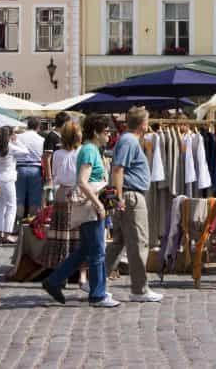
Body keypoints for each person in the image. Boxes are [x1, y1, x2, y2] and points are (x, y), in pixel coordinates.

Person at [43, 115, 117, 307]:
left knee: (85, 249)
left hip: (90, 205)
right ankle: (97, 294)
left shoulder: (91, 150)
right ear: (96, 132)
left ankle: (54, 281)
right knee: (97, 251)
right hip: (89, 206)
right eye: (106, 131)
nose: (109, 135)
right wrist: (98, 204)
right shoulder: (89, 151)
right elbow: (82, 182)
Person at [104, 107, 162, 303]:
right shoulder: (129, 140)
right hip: (131, 196)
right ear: (143, 124)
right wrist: (119, 196)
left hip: (128, 195)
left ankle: (97, 281)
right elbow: (118, 169)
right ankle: (139, 289)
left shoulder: (127, 140)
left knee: (119, 242)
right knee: (138, 242)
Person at [44, 121, 86, 288]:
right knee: (80, 236)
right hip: (79, 193)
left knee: (62, 237)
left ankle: (62, 276)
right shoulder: (82, 152)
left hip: (62, 193)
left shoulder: (58, 154)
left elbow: (54, 175)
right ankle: (82, 276)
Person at [0, 127, 22, 245]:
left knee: (1, 206)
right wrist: (16, 140)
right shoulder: (11, 147)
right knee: (11, 206)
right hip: (9, 178)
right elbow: (26, 151)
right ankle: (7, 234)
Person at [14, 118, 46, 223]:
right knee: (34, 199)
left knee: (19, 199)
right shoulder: (41, 139)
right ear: (38, 126)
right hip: (35, 169)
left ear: (27, 125)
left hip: (20, 168)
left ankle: (18, 224)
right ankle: (31, 224)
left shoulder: (18, 137)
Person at [42, 112, 70, 191]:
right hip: (54, 175)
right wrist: (49, 178)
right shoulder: (51, 136)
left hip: (62, 174)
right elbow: (47, 158)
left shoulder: (63, 136)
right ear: (64, 124)